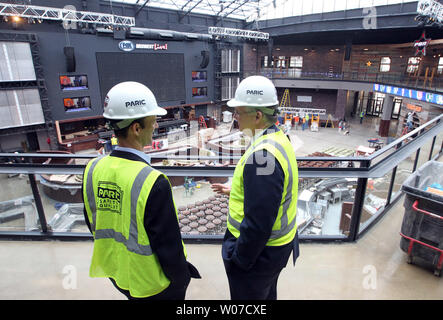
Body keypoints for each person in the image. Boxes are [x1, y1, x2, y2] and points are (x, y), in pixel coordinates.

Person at [82, 81, 200, 300]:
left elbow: (93, 221)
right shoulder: (152, 181)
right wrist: (181, 279)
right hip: (151, 283)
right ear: (136, 128)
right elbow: (168, 246)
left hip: (118, 273)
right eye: (153, 121)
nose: (156, 127)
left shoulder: (92, 169)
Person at [211, 75, 299, 300]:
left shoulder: (263, 156)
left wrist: (240, 260)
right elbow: (270, 196)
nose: (235, 118)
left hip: (259, 255)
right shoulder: (278, 139)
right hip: (275, 249)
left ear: (258, 115)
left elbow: (258, 224)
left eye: (239, 112)